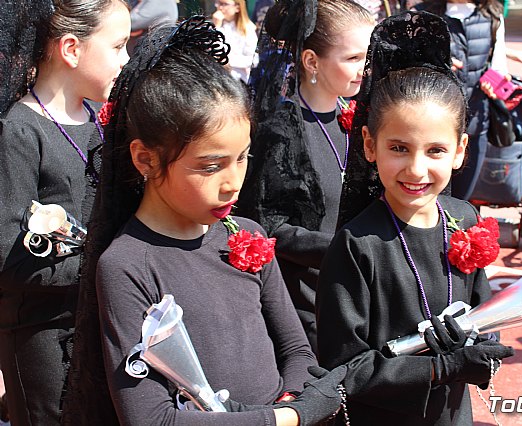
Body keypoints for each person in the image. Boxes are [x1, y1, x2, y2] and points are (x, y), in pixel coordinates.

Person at [62, 16, 346, 426]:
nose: (233, 183)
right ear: (146, 158)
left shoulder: (246, 235)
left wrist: (290, 400)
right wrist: (284, 418)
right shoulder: (127, 265)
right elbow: (151, 418)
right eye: (210, 166)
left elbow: (296, 351)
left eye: (243, 158)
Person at [316, 11, 515, 425]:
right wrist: (441, 367)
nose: (417, 170)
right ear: (370, 144)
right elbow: (344, 369)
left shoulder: (464, 218)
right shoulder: (357, 245)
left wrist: (481, 343)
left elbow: (484, 309)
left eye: (436, 151)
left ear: (460, 150)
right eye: (399, 148)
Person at [0, 1, 130, 424]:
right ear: (71, 49)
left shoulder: (101, 120)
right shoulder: (19, 131)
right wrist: (102, 266)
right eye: (118, 46)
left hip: (98, 323)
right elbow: (9, 258)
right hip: (43, 337)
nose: (126, 60)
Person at [237, 0, 375, 353]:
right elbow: (266, 227)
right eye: (353, 58)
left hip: (361, 296)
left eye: (368, 57)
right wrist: (340, 250)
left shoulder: (358, 121)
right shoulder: (281, 130)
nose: (365, 69)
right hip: (308, 307)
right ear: (312, 61)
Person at [412, 0, 507, 200]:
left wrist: (494, 84)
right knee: (429, 192)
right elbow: (406, 63)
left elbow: (499, 66)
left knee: (461, 198)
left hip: (475, 120)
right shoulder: (421, 14)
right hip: (432, 120)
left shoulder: (492, 16)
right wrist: (436, 63)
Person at [211, 0, 259, 83]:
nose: (220, 7)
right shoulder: (216, 25)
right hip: (218, 78)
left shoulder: (247, 29)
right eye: (218, 3)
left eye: (225, 4)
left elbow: (254, 60)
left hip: (239, 80)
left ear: (237, 7)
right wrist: (216, 28)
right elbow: (213, 50)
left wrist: (229, 61)